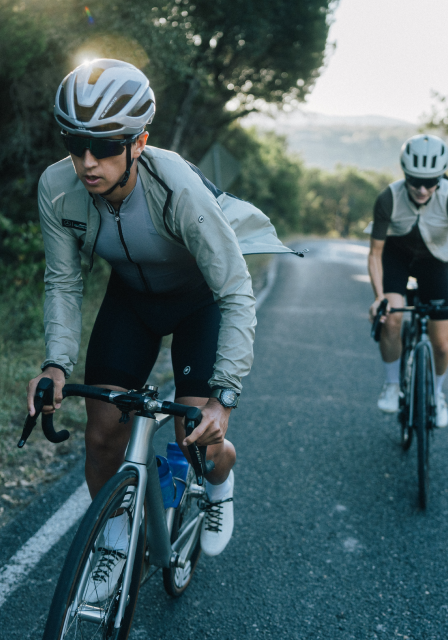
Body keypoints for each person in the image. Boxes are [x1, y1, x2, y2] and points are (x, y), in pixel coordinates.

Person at [26, 59, 297, 600]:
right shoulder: (57, 187)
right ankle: (114, 543)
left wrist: (224, 397)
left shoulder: (177, 189)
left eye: (103, 146)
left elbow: (235, 292)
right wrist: (56, 364)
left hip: (200, 302)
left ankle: (220, 482)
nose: (86, 162)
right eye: (74, 144)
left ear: (139, 141)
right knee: (102, 434)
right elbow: (63, 281)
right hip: (131, 301)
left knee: (194, 436)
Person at [368, 133, 448, 427]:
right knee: (392, 318)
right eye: (416, 181)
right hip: (396, 256)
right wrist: (379, 298)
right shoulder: (389, 198)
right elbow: (375, 253)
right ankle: (392, 385)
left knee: (442, 344)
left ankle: (438, 395)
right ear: (405, 174)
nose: (423, 189)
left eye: (431, 181)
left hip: (437, 261)